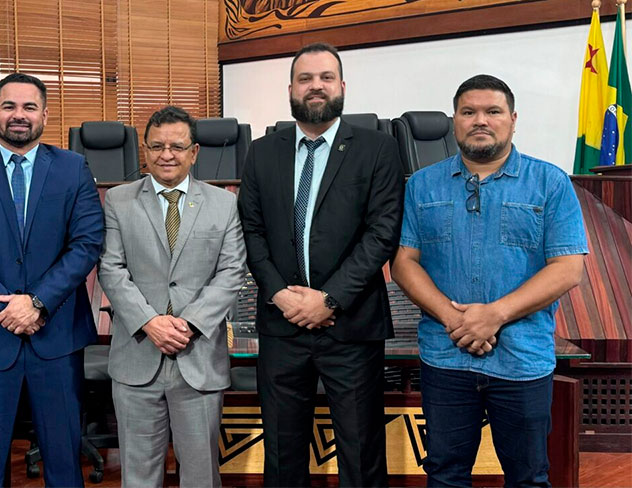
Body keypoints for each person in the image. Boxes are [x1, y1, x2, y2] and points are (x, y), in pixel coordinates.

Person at [391, 74, 587, 487]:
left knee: (528, 477)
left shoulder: (549, 182)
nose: (480, 120)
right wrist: (455, 320)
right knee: (444, 475)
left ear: (513, 120)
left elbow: (568, 268)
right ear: (454, 121)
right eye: (469, 112)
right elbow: (405, 262)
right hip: (446, 356)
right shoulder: (422, 184)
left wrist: (494, 315)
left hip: (521, 358)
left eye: (493, 111)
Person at [238, 42, 404, 487]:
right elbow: (251, 231)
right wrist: (280, 295)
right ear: (290, 89)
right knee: (282, 454)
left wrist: (329, 299)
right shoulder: (261, 152)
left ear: (342, 86)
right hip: (282, 326)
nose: (316, 86)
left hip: (351, 326)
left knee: (361, 453)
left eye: (326, 77)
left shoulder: (378, 149)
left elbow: (382, 234)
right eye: (305, 79)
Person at [0, 72, 104, 487]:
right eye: (9, 106)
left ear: (44, 114)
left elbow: (86, 243)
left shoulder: (72, 168)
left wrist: (37, 302)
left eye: (29, 106)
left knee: (64, 464)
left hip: (57, 336)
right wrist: (8, 307)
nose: (19, 115)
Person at [98, 106, 246, 487]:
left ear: (194, 152)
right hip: (137, 357)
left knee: (200, 477)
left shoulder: (224, 204)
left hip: (198, 358)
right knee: (138, 477)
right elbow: (111, 269)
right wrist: (150, 323)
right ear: (145, 151)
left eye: (177, 147)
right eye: (157, 146)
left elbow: (232, 272)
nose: (167, 155)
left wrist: (188, 324)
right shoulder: (119, 201)